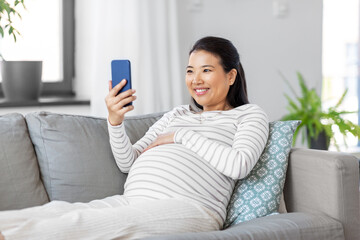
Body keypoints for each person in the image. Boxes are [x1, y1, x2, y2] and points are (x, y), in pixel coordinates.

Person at [0, 36, 269, 240]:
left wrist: (180, 136)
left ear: (231, 75)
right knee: (54, 211)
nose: (195, 79)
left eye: (206, 70)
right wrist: (115, 122)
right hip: (132, 201)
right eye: (190, 70)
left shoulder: (248, 116)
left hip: (190, 208)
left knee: (78, 224)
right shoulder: (176, 114)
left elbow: (239, 164)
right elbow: (128, 162)